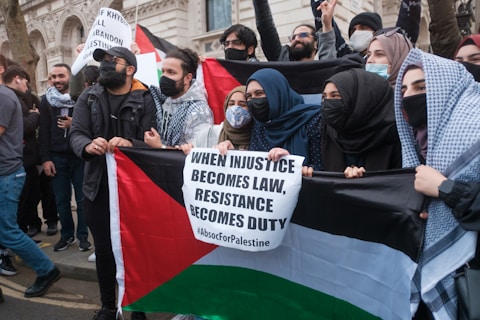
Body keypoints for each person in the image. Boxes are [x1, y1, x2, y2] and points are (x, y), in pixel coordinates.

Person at [70, 46, 156, 320]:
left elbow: (154, 141)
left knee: (137, 251)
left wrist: (131, 143)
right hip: (97, 188)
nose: (105, 65)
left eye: (112, 61)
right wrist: (87, 144)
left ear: (130, 69)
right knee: (105, 251)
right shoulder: (89, 96)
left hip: (135, 191)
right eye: (103, 61)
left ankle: (137, 307)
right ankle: (109, 306)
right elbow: (76, 133)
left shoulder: (146, 98)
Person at [396, 48, 480, 319]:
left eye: (421, 86)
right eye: (404, 90)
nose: (410, 96)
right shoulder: (413, 143)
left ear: (447, 88)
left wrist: (445, 189)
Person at [0, 54, 61, 298]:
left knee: (7, 231)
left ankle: (46, 270)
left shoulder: (3, 97)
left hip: (6, 175)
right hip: (6, 173)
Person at [218, 68, 322, 171]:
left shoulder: (314, 122)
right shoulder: (260, 127)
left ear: (276, 92)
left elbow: (326, 169)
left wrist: (290, 163)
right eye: (249, 96)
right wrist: (233, 155)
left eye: (259, 93)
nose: (253, 100)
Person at [38, 63, 91, 252]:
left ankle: (83, 236)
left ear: (70, 76)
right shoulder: (46, 100)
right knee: (61, 199)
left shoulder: (82, 98)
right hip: (56, 158)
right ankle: (67, 235)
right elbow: (43, 131)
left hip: (79, 156)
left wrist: (73, 122)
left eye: (61, 76)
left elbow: (92, 124)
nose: (57, 80)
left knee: (83, 199)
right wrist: (45, 159)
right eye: (53, 76)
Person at [317, 68, 401, 178]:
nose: (327, 103)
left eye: (335, 96)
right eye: (324, 97)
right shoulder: (328, 132)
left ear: (362, 99)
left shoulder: (394, 136)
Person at [145, 48, 213, 148]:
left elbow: (197, 154)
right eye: (163, 71)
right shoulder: (163, 98)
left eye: (171, 72)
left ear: (187, 78)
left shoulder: (199, 112)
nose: (164, 77)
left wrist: (160, 147)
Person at [252, 0, 336, 61]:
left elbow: (328, 56)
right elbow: (265, 26)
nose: (297, 39)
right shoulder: (281, 60)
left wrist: (327, 24)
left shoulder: (322, 70)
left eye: (303, 35)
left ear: (316, 44)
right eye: (293, 37)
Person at [179, 85, 252, 154]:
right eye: (231, 104)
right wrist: (187, 149)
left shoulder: (259, 138)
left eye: (242, 105)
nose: (235, 109)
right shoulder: (208, 134)